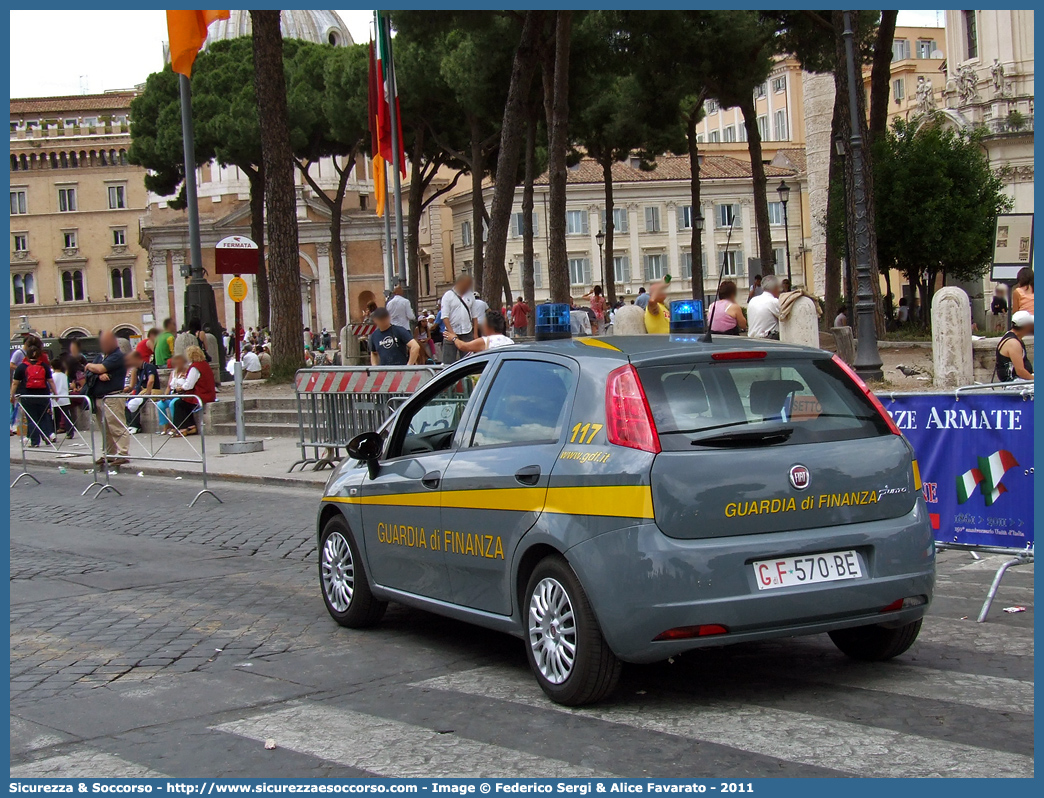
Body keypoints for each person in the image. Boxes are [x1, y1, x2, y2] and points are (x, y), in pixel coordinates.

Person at [83, 330, 129, 466]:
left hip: (112, 396)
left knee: (116, 426)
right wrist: (97, 373)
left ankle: (123, 453)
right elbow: (89, 373)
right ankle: (108, 454)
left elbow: (100, 368)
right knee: (105, 428)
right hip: (99, 397)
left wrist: (93, 368)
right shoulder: (100, 356)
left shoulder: (117, 356)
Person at [10, 340, 57, 447]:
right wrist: (56, 393)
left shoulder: (22, 367)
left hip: (28, 396)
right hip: (43, 395)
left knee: (32, 418)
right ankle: (47, 436)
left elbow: (15, 383)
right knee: (44, 416)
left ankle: (35, 442)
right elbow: (51, 381)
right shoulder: (44, 366)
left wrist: (12, 396)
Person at [171, 345, 216, 435]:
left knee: (179, 403)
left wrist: (181, 388)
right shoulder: (204, 364)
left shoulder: (195, 367)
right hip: (208, 393)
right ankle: (191, 426)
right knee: (184, 403)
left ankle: (182, 427)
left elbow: (189, 385)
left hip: (201, 395)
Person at [440, 274, 477, 364]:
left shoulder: (470, 296)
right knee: (448, 362)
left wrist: (475, 334)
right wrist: (452, 333)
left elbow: (474, 316)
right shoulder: (448, 296)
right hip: (451, 332)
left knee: (468, 361)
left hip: (467, 331)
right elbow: (445, 317)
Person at [447, 307, 514, 354]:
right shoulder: (510, 341)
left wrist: (454, 338)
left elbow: (463, 346)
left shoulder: (485, 341)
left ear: (489, 326)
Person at [124, 349, 159, 434]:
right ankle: (130, 424)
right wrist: (125, 390)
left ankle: (136, 426)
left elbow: (151, 380)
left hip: (150, 392)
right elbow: (132, 385)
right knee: (125, 402)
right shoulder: (136, 370)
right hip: (139, 392)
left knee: (134, 403)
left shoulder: (149, 367)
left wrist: (147, 392)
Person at [995, 310, 1034, 382]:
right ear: (1027, 326)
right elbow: (1020, 371)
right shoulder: (1013, 343)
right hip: (1013, 383)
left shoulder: (1014, 337)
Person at [156, 354, 188, 435]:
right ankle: (165, 424)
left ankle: (175, 425)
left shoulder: (187, 371)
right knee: (160, 404)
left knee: (172, 404)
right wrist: (165, 395)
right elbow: (168, 386)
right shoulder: (173, 372)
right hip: (172, 394)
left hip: (181, 394)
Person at [746, 274, 782, 339]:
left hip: (752, 339)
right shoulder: (773, 301)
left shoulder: (753, 301)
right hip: (768, 340)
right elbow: (785, 317)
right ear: (776, 288)